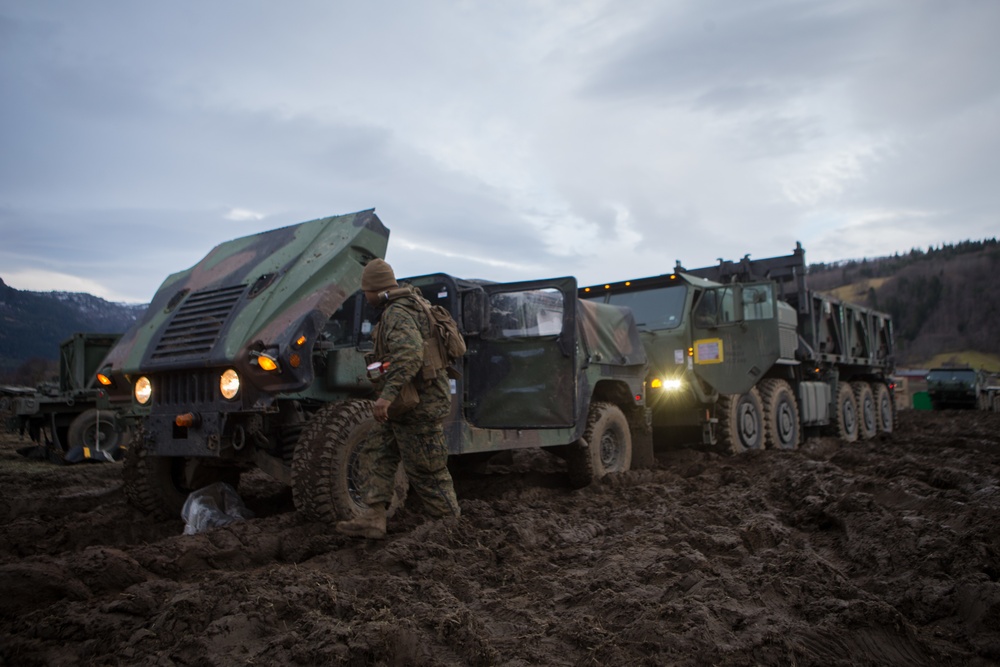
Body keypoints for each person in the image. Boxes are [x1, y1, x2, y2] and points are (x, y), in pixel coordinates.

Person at [335, 259, 461, 539]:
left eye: (366, 291)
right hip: (407, 403)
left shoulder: (397, 313)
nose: (365, 297)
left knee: (427, 469)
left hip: (419, 404)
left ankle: (451, 531)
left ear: (376, 289)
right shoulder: (410, 305)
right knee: (376, 452)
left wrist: (386, 397)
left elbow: (410, 355)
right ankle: (373, 517)